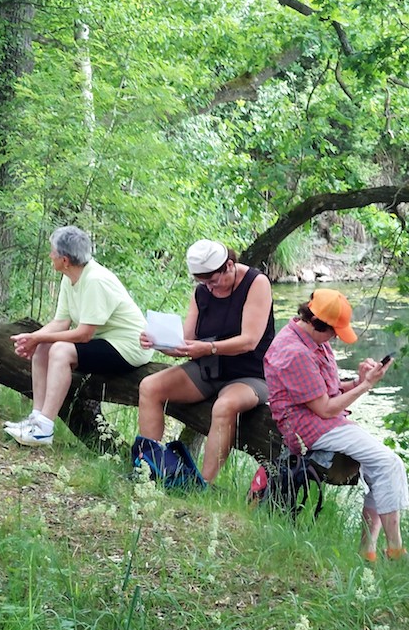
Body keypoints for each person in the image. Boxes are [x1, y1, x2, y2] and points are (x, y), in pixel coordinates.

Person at [264, 289, 406, 561]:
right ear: (319, 323)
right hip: (310, 429)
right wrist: (365, 386)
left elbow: (323, 390)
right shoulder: (295, 352)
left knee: (382, 466)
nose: (336, 339)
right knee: (389, 463)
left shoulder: (311, 338)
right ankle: (396, 551)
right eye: (335, 333)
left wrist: (356, 381)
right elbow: (325, 408)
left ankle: (369, 552)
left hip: (324, 420)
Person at [136, 239, 275, 483]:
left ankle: (204, 484)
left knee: (224, 406)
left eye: (213, 281)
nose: (209, 288)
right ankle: (151, 469)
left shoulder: (256, 283)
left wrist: (209, 348)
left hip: (251, 374)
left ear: (229, 266)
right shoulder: (202, 292)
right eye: (203, 283)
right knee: (150, 386)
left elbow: (249, 340)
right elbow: (186, 342)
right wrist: (159, 342)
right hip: (209, 369)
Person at [5, 226, 151, 446]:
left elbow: (84, 334)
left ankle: (45, 428)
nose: (49, 255)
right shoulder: (69, 277)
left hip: (129, 346)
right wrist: (33, 338)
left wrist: (39, 338)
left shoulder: (95, 280)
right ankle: (36, 418)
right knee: (44, 346)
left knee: (60, 350)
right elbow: (60, 322)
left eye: (52, 251)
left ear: (64, 260)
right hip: (104, 340)